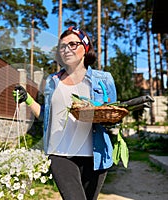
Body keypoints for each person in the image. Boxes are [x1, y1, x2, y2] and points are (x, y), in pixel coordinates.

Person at [13, 26, 117, 200]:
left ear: (85, 48)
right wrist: (28, 100)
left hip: (95, 155)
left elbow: (112, 114)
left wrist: (108, 118)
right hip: (60, 154)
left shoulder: (104, 79)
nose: (66, 49)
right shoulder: (52, 81)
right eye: (62, 46)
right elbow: (48, 117)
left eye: (73, 44)